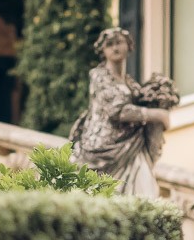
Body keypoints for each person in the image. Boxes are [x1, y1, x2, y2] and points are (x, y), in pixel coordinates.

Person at [69, 27, 170, 197]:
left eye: (119, 43)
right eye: (109, 44)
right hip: (103, 149)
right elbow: (117, 111)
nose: (115, 48)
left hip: (131, 147)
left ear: (129, 46)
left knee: (145, 191)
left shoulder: (131, 84)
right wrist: (157, 115)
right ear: (103, 50)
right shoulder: (99, 76)